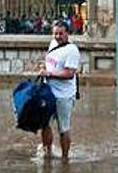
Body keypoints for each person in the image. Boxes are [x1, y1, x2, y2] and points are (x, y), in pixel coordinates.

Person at [39, 20, 80, 161]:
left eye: (60, 33)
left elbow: (69, 73)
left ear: (67, 33)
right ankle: (47, 154)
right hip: (48, 93)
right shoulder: (52, 44)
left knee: (63, 128)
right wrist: (43, 69)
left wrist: (50, 74)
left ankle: (65, 158)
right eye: (55, 33)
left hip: (64, 96)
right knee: (44, 125)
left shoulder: (72, 50)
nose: (57, 36)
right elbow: (50, 62)